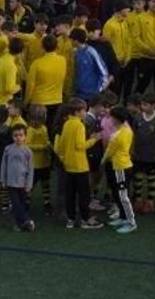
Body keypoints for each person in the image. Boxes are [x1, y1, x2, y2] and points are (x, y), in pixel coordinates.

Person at [55, 100, 99, 229]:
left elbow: (61, 146)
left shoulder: (67, 124)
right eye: (84, 110)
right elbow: (80, 146)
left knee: (70, 194)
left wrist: (64, 158)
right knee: (84, 195)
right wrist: (94, 140)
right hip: (80, 166)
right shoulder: (79, 125)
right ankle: (85, 220)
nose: (85, 113)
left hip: (69, 166)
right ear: (77, 112)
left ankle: (71, 219)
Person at [101, 97, 137, 234]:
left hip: (120, 167)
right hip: (125, 165)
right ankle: (123, 217)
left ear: (116, 119)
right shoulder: (127, 130)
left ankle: (131, 222)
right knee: (119, 194)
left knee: (123, 196)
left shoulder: (117, 136)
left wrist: (102, 161)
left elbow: (109, 152)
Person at [2, 125, 37, 232]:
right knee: (16, 204)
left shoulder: (28, 151)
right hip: (11, 182)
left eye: (21, 135)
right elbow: (4, 165)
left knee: (22, 204)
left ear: (25, 136)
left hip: (23, 183)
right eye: (15, 135)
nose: (18, 138)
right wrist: (3, 180)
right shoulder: (8, 149)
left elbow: (31, 169)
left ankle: (20, 224)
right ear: (12, 137)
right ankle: (27, 220)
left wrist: (29, 184)